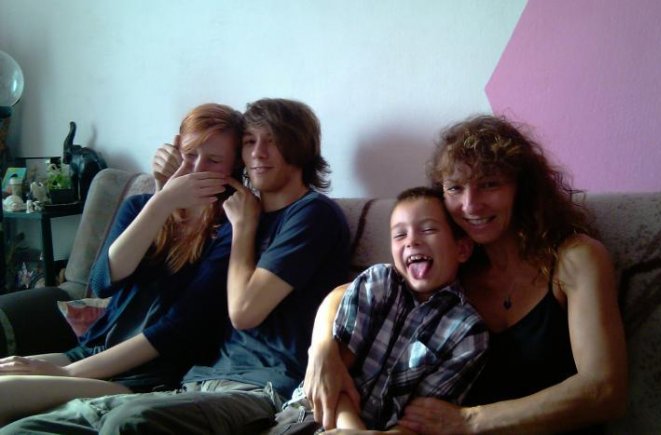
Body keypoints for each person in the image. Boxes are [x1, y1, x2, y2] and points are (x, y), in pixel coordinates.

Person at [1, 98, 352, 434]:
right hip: (191, 377)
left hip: (223, 382)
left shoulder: (255, 222)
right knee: (23, 428)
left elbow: (219, 318)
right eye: (250, 141)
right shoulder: (237, 214)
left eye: (273, 141)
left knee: (124, 420)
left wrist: (242, 229)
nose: (259, 152)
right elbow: (102, 283)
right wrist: (163, 198)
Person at [303, 115, 628, 434]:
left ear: (522, 188)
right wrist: (322, 350)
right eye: (455, 188)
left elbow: (605, 391)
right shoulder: (452, 261)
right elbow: (347, 294)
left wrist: (470, 421)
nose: (470, 205)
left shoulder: (575, 258)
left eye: (489, 184)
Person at [0, 102, 244, 424]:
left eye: (213, 160)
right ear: (174, 149)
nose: (196, 168)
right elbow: (103, 281)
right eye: (189, 154)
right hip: (94, 352)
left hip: (147, 375)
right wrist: (161, 201)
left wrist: (66, 373)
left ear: (234, 167)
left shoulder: (231, 229)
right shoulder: (141, 207)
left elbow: (175, 329)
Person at [271, 187, 488, 434]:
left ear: (462, 249)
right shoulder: (378, 282)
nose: (412, 241)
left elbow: (421, 422)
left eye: (428, 230)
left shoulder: (468, 331)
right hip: (312, 414)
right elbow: (335, 375)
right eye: (400, 234)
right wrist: (354, 431)